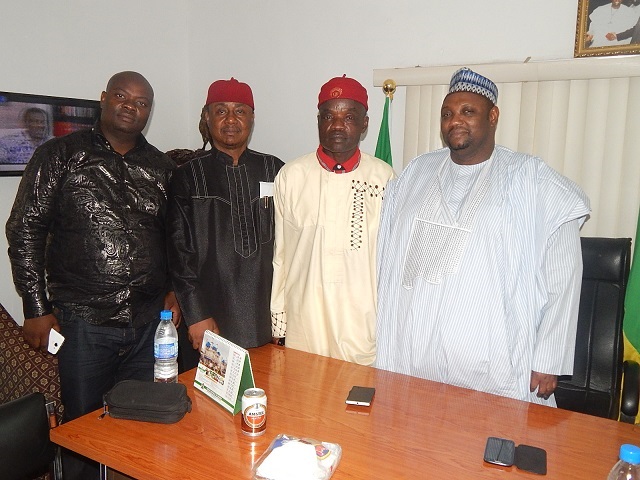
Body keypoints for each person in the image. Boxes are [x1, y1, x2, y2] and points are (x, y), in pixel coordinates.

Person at [375, 67, 591, 406]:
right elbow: (384, 256)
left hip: (493, 363)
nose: (455, 121)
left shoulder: (531, 179)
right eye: (447, 113)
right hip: (411, 356)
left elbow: (564, 274)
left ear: (493, 116)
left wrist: (549, 357)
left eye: (467, 111)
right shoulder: (416, 172)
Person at [6, 71, 179, 479]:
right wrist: (35, 307)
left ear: (149, 112)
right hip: (83, 322)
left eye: (141, 102)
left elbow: (174, 237)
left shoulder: (161, 167)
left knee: (144, 419)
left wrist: (174, 291)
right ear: (103, 99)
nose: (130, 107)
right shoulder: (59, 154)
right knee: (84, 430)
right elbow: (25, 229)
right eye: (121, 96)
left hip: (148, 323)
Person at [270, 75, 395, 366]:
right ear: (318, 121)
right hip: (305, 321)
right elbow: (281, 255)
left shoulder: (384, 178)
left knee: (358, 393)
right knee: (305, 391)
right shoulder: (292, 176)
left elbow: (391, 260)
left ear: (364, 124)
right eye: (328, 116)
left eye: (349, 117)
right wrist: (279, 322)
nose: (337, 125)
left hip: (361, 322)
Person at [167, 78, 284, 367]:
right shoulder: (187, 176)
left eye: (240, 111)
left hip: (268, 318)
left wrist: (286, 319)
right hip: (209, 321)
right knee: (207, 396)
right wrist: (196, 315)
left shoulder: (276, 170)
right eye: (221, 111)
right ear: (207, 117)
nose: (231, 119)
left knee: (270, 390)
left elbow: (293, 248)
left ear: (252, 118)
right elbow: (179, 254)